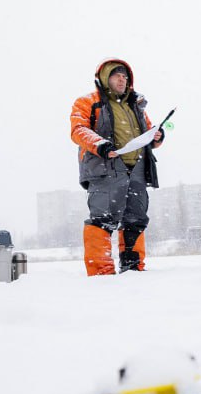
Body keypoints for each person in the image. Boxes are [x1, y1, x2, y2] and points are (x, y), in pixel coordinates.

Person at [70, 58, 164, 275]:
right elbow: (78, 129)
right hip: (105, 169)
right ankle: (101, 273)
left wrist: (157, 136)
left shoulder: (136, 105)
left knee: (136, 219)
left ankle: (134, 268)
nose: (122, 80)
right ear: (105, 78)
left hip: (137, 169)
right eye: (117, 76)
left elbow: (149, 132)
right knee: (102, 218)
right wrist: (100, 144)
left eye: (125, 77)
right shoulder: (88, 102)